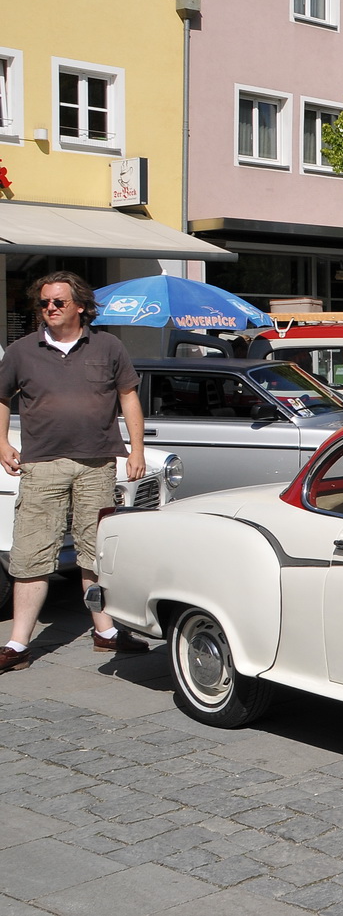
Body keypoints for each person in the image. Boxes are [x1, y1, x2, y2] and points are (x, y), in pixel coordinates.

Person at [0, 272, 152, 673]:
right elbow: (1, 398)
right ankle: (17, 644)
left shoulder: (108, 346)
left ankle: (105, 633)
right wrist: (1, 443)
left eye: (58, 303)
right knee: (31, 553)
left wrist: (136, 450)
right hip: (42, 464)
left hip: (97, 464)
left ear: (81, 306)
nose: (49, 309)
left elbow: (128, 396)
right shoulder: (21, 351)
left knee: (94, 551)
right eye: (44, 303)